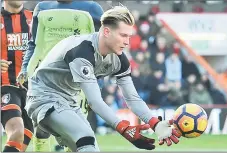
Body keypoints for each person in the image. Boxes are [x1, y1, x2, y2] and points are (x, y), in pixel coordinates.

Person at [25, 6, 181, 152]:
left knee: (90, 147)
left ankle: (43, 131)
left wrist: (156, 124)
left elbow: (132, 98)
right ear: (106, 32)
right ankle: (42, 129)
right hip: (43, 97)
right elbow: (95, 101)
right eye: (123, 35)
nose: (127, 42)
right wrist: (124, 128)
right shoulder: (82, 51)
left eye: (129, 36)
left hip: (69, 101)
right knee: (85, 137)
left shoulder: (119, 59)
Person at [16, 0, 104, 152]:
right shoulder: (42, 8)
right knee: (42, 128)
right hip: (44, 80)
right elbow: (34, 43)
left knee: (75, 131)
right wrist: (25, 69)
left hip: (78, 82)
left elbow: (100, 47)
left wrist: (98, 82)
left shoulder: (93, 9)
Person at [1, 1, 34, 152]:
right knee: (16, 132)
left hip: (32, 89)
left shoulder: (35, 18)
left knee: (23, 138)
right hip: (5, 85)